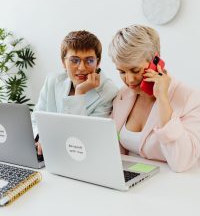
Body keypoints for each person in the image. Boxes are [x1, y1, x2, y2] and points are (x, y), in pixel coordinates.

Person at [108, 24, 200, 172]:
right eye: (122, 71)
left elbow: (182, 162)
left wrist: (163, 99)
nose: (129, 80)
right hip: (129, 181)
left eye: (135, 70)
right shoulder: (123, 95)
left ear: (155, 60)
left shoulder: (189, 98)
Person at [32, 30, 118, 154]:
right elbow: (36, 117)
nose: (82, 67)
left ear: (98, 63)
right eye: (74, 60)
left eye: (89, 60)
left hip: (81, 156)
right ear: (63, 62)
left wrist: (80, 92)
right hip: (48, 153)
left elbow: (83, 136)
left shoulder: (108, 92)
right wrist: (41, 137)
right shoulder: (52, 80)